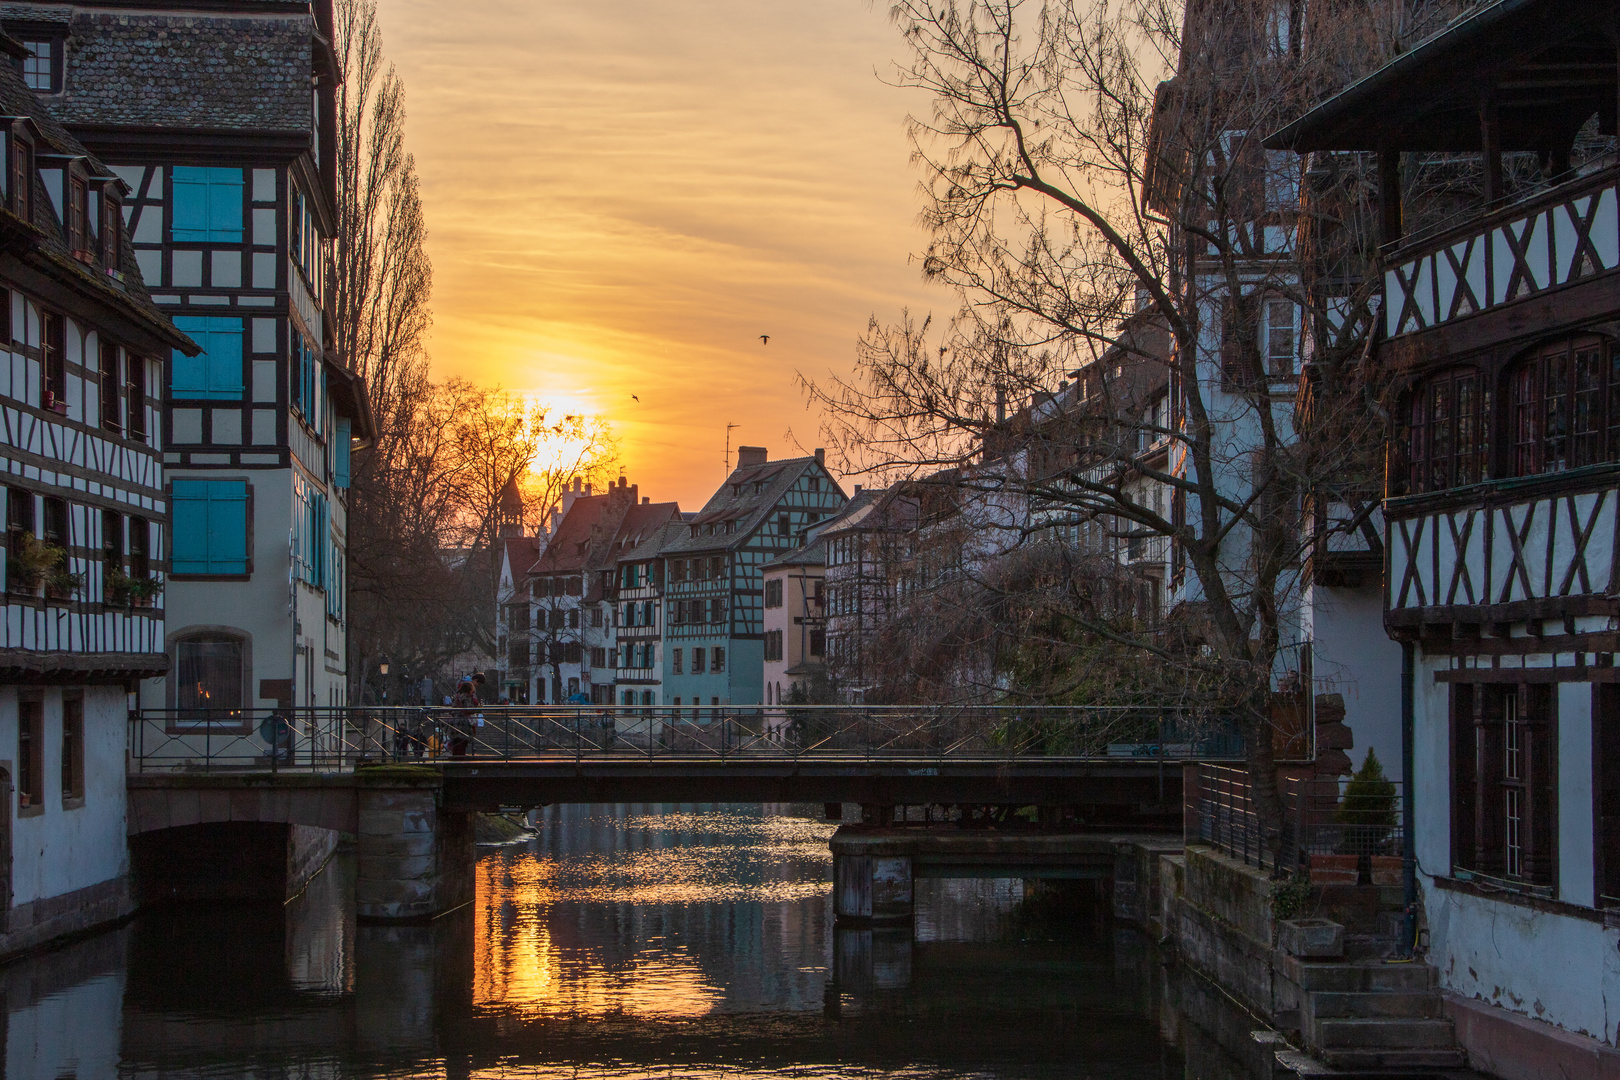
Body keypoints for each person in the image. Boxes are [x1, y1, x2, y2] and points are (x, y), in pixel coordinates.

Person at [449, 680, 478, 757]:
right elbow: (469, 709)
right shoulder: (467, 697)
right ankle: (460, 758)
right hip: (463, 722)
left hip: (455, 721)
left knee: (456, 742)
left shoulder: (457, 696)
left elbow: (453, 708)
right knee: (462, 741)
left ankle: (456, 757)